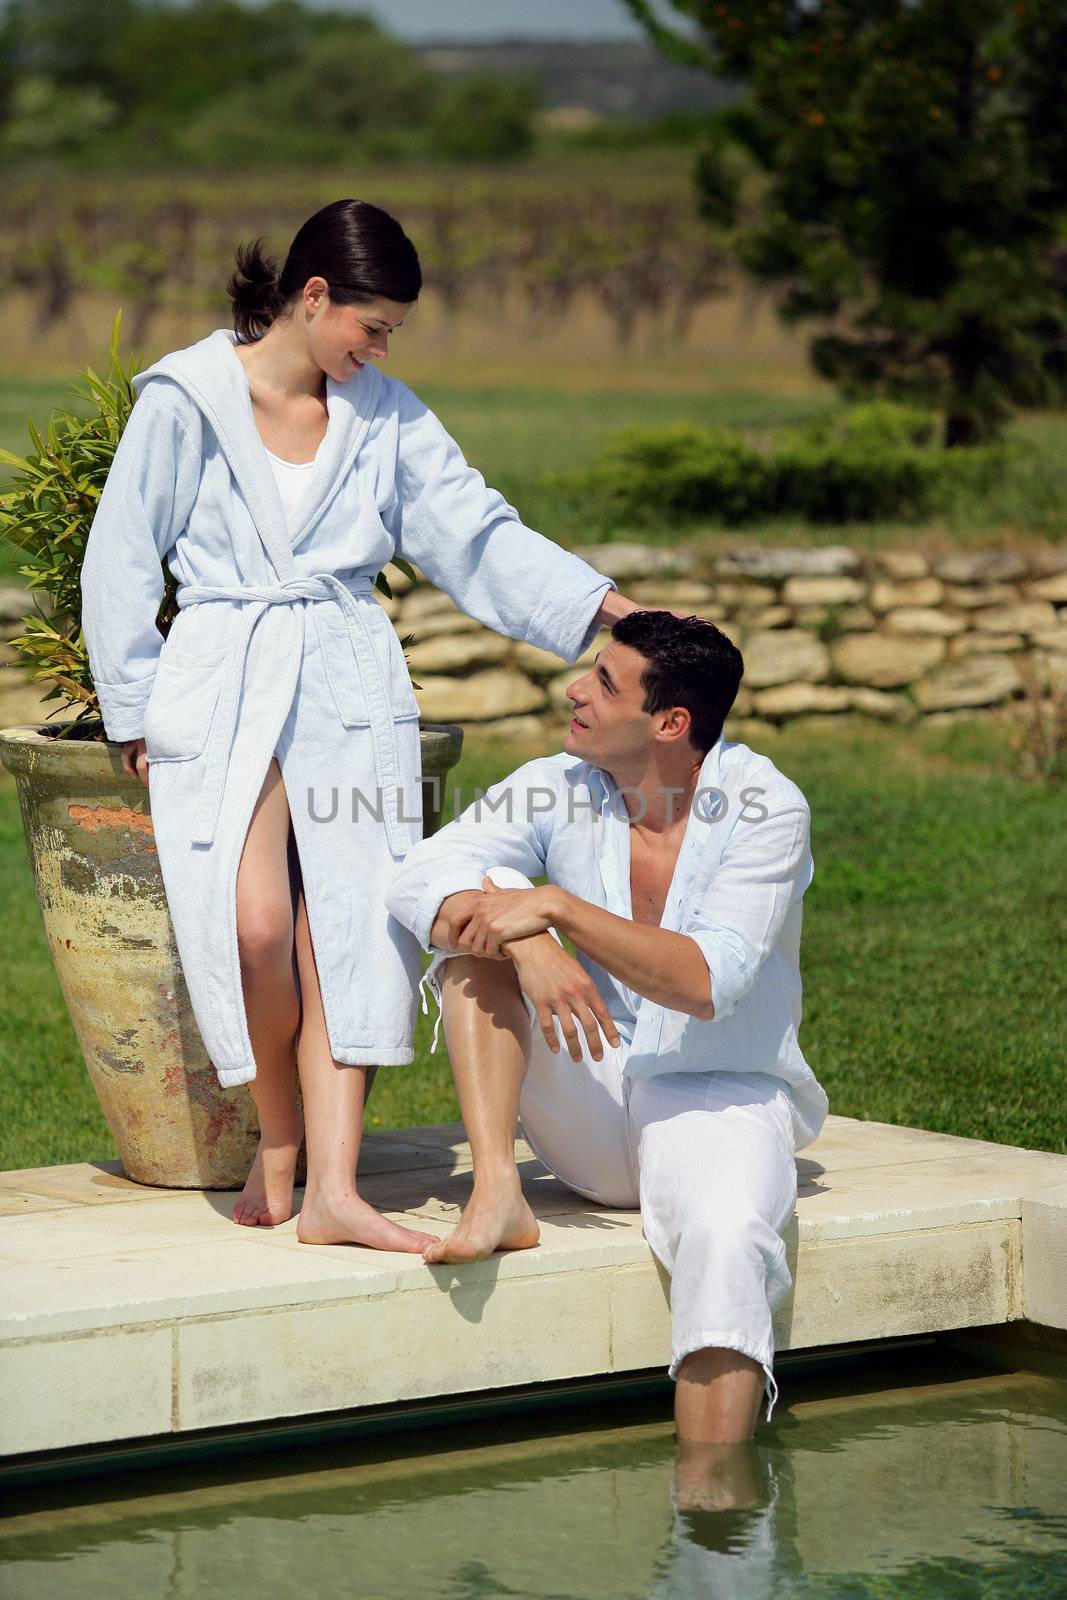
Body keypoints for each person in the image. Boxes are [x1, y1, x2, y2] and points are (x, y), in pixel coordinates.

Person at [80, 197, 651, 1251]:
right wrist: (132, 700)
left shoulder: (386, 415)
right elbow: (120, 554)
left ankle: (331, 1189)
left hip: (346, 671)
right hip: (225, 670)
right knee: (251, 926)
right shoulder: (187, 397)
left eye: (388, 332)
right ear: (312, 296)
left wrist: (601, 606)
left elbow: (474, 532)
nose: (378, 348)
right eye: (371, 325)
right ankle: (281, 1140)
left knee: (343, 923)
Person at [384, 611, 829, 1441]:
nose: (574, 689)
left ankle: (714, 1527)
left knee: (728, 1237)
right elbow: (421, 871)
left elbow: (707, 982)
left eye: (603, 683)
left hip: (716, 1092)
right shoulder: (558, 781)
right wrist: (530, 938)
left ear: (669, 723)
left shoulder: (766, 808)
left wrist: (553, 907)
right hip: (587, 1094)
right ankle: (495, 1193)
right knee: (482, 943)